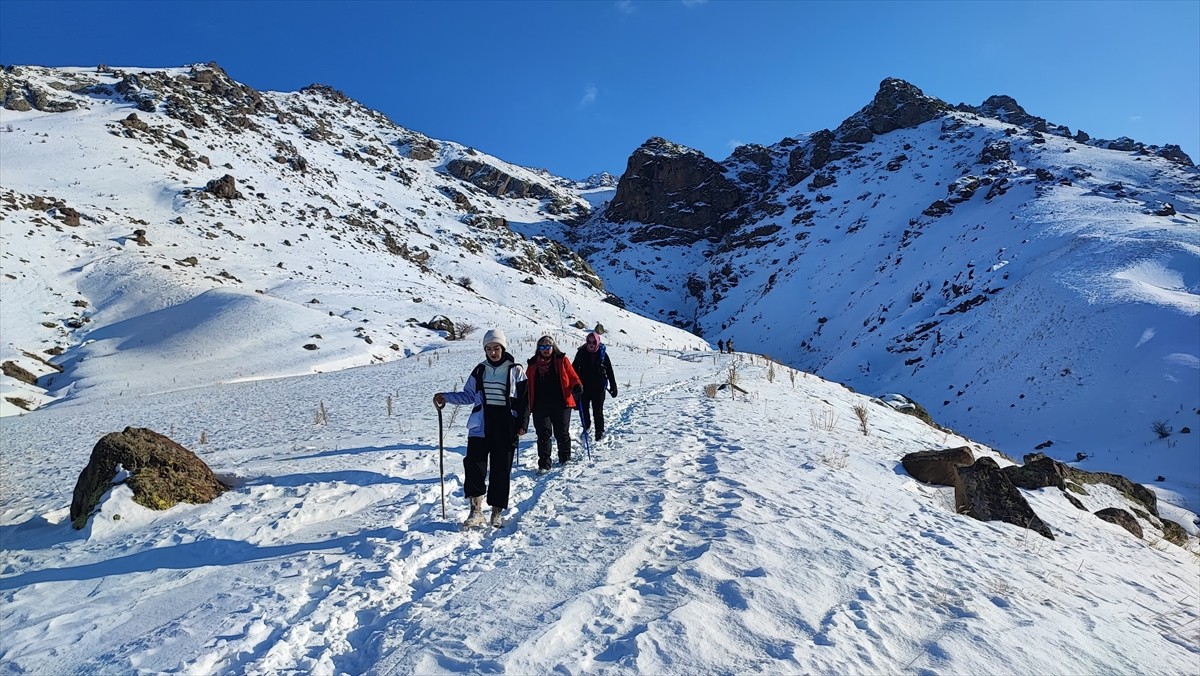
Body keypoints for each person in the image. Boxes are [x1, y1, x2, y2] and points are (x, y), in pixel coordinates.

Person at [433, 328, 528, 528]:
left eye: (496, 348)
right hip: (481, 424)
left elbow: (525, 400)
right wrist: (446, 397)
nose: (493, 352)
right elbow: (468, 395)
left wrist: (522, 424)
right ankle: (476, 511)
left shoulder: (516, 370)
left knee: (501, 469)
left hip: (506, 425)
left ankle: (496, 512)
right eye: (489, 348)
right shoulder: (479, 370)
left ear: (503, 348)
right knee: (474, 465)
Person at [527, 334, 583, 473]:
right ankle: (544, 464)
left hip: (561, 403)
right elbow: (527, 382)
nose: (545, 350)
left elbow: (572, 375)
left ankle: (565, 458)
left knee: (561, 433)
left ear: (553, 347)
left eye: (548, 346)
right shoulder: (533, 364)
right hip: (540, 405)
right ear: (538, 349)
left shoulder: (561, 360)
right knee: (543, 434)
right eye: (542, 347)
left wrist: (577, 385)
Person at [572, 331, 618, 442]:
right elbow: (573, 370)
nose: (591, 344)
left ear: (597, 342)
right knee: (584, 409)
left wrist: (613, 385)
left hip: (599, 387)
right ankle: (586, 426)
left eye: (593, 342)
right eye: (589, 342)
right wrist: (574, 385)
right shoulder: (581, 353)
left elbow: (609, 371)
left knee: (598, 411)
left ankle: (599, 431)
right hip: (583, 387)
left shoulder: (602, 354)